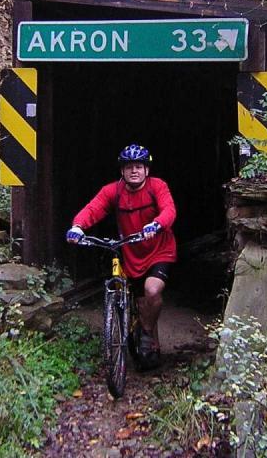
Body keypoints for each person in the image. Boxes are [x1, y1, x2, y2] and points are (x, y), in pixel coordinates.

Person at [66, 144, 177, 368]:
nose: (134, 171)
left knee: (152, 290)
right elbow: (93, 208)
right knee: (141, 302)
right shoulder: (113, 191)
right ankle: (150, 346)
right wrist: (78, 227)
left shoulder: (157, 187)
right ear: (122, 171)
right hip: (130, 251)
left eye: (138, 166)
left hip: (159, 249)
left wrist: (156, 224)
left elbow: (169, 210)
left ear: (147, 169)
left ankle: (146, 333)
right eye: (128, 167)